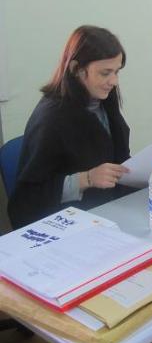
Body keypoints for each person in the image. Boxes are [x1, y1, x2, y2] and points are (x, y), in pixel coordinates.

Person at [8, 26, 131, 229]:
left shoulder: (103, 99)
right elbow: (26, 201)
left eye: (116, 72)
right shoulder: (51, 119)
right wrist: (86, 179)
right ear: (76, 69)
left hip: (108, 211)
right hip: (70, 224)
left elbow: (116, 154)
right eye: (105, 73)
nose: (114, 81)